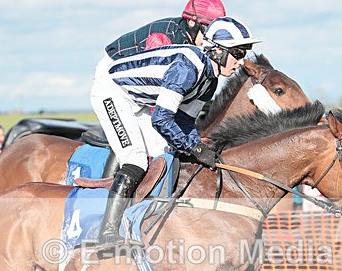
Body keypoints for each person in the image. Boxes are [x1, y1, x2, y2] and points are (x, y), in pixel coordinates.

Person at [89, 16, 260, 253]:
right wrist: (195, 149)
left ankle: (139, 223)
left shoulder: (209, 82)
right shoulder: (187, 68)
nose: (240, 62)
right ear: (218, 51)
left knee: (162, 156)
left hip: (139, 99)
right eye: (237, 53)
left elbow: (183, 121)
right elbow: (161, 119)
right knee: (136, 159)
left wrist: (199, 147)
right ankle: (106, 234)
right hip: (113, 92)